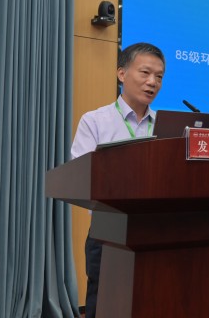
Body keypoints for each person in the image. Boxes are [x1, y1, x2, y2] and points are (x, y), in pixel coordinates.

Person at [71, 42, 165, 318]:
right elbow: (81, 176)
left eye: (159, 77)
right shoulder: (95, 121)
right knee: (105, 303)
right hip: (108, 231)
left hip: (157, 228)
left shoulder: (165, 126)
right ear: (122, 74)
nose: (153, 82)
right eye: (145, 73)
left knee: (153, 300)